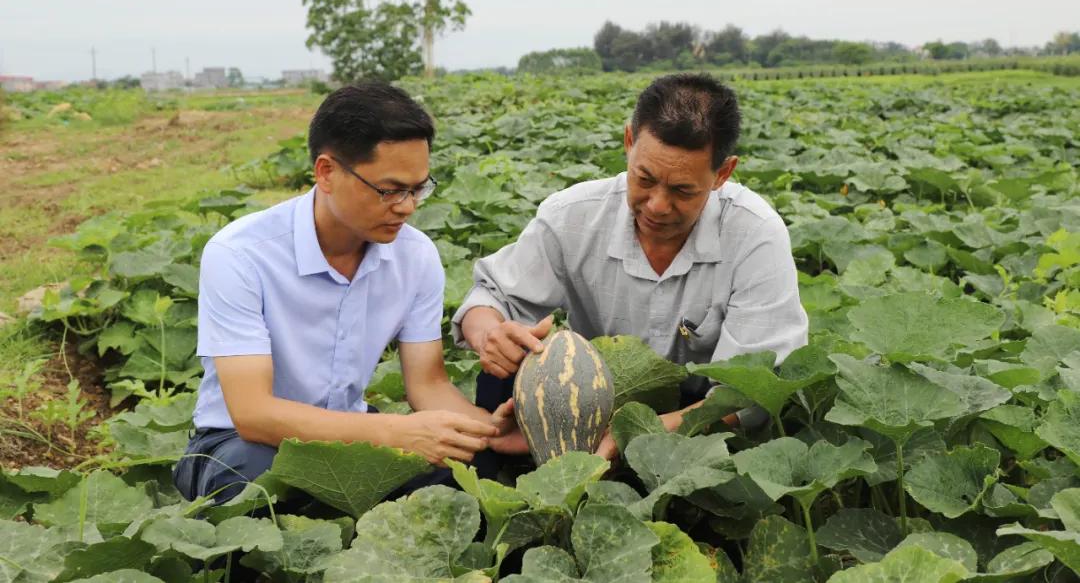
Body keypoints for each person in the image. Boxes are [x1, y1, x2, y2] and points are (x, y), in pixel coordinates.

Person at [174, 84, 520, 503]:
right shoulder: (241, 254)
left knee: (473, 472)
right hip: (241, 442)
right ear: (326, 172)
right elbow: (253, 414)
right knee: (255, 482)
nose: (408, 207)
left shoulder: (416, 256)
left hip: (353, 436)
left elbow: (427, 385)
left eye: (419, 189)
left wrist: (489, 431)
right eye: (390, 190)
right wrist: (395, 433)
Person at [452, 72, 808, 462]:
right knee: (497, 377)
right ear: (629, 142)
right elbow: (491, 295)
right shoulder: (572, 215)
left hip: (698, 419)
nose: (656, 204)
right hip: (583, 400)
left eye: (682, 190)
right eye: (645, 178)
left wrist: (634, 435)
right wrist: (490, 334)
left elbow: (752, 392)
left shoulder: (755, 234)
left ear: (722, 174)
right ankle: (505, 473)